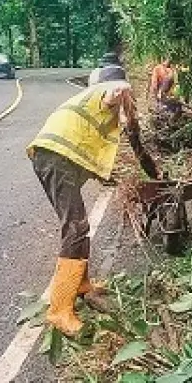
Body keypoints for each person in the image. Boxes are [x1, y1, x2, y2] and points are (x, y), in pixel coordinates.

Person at [26, 78, 161, 336]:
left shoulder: (107, 110)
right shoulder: (115, 91)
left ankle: (82, 285)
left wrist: (155, 175)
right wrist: (122, 102)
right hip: (55, 157)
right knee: (75, 228)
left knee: (79, 226)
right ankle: (59, 310)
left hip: (59, 159)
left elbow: (137, 147)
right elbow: (117, 90)